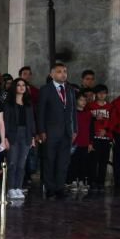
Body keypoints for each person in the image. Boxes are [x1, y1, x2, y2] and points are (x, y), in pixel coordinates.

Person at [36, 63, 77, 198]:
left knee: (63, 161)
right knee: (49, 160)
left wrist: (74, 129)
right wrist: (41, 130)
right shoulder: (45, 89)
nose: (63, 74)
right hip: (50, 132)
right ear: (52, 74)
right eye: (59, 72)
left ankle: (60, 187)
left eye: (65, 71)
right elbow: (40, 112)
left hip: (67, 132)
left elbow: (73, 112)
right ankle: (49, 187)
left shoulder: (70, 90)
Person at [4, 77, 36, 200]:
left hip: (26, 134)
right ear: (14, 87)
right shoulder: (9, 103)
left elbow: (32, 120)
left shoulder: (28, 103)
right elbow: (6, 121)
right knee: (12, 162)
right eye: (18, 85)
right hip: (13, 134)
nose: (21, 87)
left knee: (22, 163)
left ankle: (18, 187)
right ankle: (11, 188)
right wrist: (5, 137)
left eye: (23, 85)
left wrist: (33, 136)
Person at [87, 84, 112, 193]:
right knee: (93, 161)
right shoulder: (90, 106)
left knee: (103, 162)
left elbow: (114, 122)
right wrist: (93, 117)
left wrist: (106, 130)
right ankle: (92, 181)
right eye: (100, 93)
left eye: (104, 93)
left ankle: (101, 182)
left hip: (106, 139)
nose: (102, 95)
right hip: (94, 138)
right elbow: (86, 120)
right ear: (96, 94)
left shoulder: (110, 107)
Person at [67, 94, 94, 192]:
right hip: (74, 142)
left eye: (85, 100)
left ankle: (82, 181)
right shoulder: (72, 113)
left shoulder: (88, 114)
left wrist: (90, 143)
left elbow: (91, 129)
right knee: (73, 162)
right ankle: (73, 181)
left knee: (83, 163)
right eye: (81, 100)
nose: (83, 102)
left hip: (85, 142)